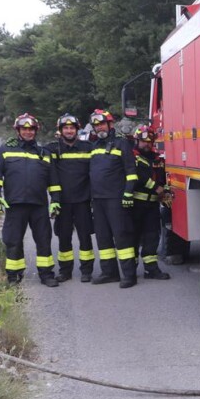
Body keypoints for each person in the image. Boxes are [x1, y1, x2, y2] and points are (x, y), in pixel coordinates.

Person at [0, 113, 59, 287]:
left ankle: (46, 274)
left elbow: (54, 182)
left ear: (36, 131)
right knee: (13, 240)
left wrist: (56, 200)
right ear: (18, 131)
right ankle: (14, 276)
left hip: (39, 205)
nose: (28, 132)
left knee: (43, 240)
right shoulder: (5, 150)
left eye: (31, 129)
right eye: (24, 129)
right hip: (15, 204)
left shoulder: (45, 153)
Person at [86, 109, 139, 288]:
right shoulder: (94, 147)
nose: (99, 127)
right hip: (98, 200)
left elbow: (131, 172)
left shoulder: (122, 144)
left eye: (102, 124)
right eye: (96, 125)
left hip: (116, 199)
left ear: (110, 125)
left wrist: (128, 193)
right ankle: (109, 273)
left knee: (122, 237)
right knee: (103, 238)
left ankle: (129, 275)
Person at [47, 113, 96, 283]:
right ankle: (65, 271)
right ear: (60, 130)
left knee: (85, 237)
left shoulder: (88, 147)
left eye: (72, 128)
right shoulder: (52, 149)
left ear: (77, 129)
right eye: (66, 128)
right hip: (62, 202)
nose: (69, 131)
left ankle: (86, 270)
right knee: (64, 237)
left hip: (83, 201)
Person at [129, 124, 171, 280]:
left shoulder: (158, 159)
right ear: (137, 140)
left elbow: (163, 179)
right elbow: (137, 177)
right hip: (136, 204)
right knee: (133, 237)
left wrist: (165, 191)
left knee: (152, 236)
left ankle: (151, 269)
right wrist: (156, 188)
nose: (147, 143)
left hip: (152, 205)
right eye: (144, 140)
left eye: (150, 140)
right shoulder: (132, 157)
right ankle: (130, 270)